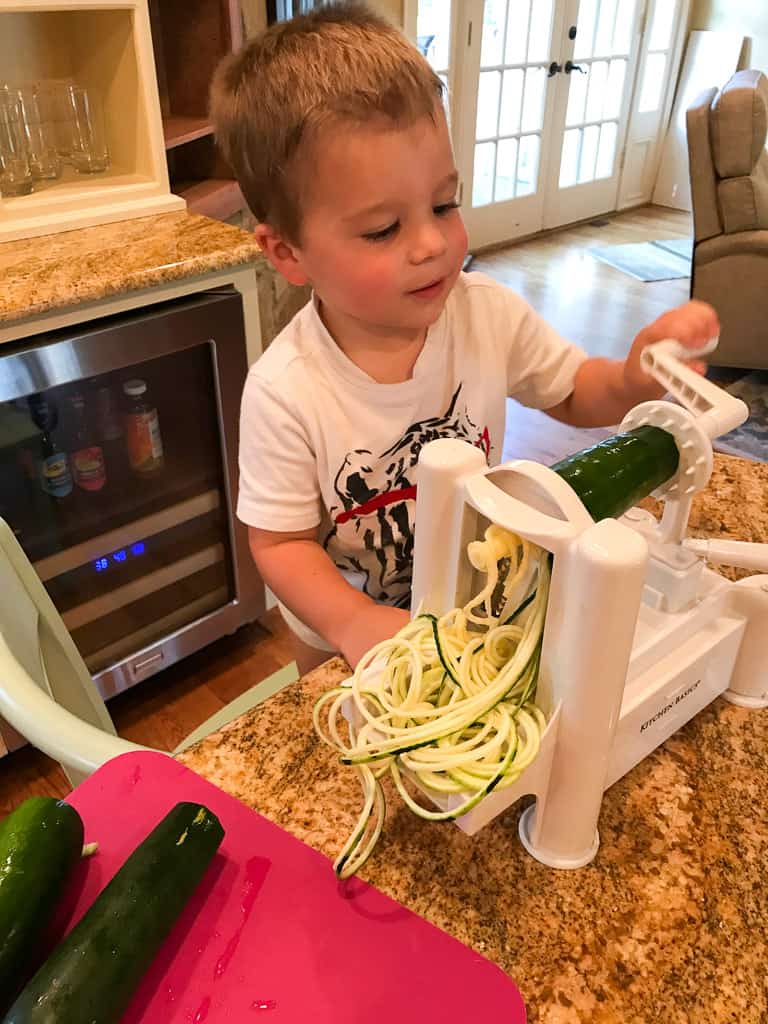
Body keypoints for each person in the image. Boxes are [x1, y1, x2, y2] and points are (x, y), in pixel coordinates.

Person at [210, 2, 718, 675]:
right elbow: (279, 543)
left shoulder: (484, 313)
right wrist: (352, 619)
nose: (431, 244)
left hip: (474, 600)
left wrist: (629, 381)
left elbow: (573, 392)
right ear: (289, 253)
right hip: (347, 640)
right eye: (383, 229)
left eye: (445, 204)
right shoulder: (286, 390)